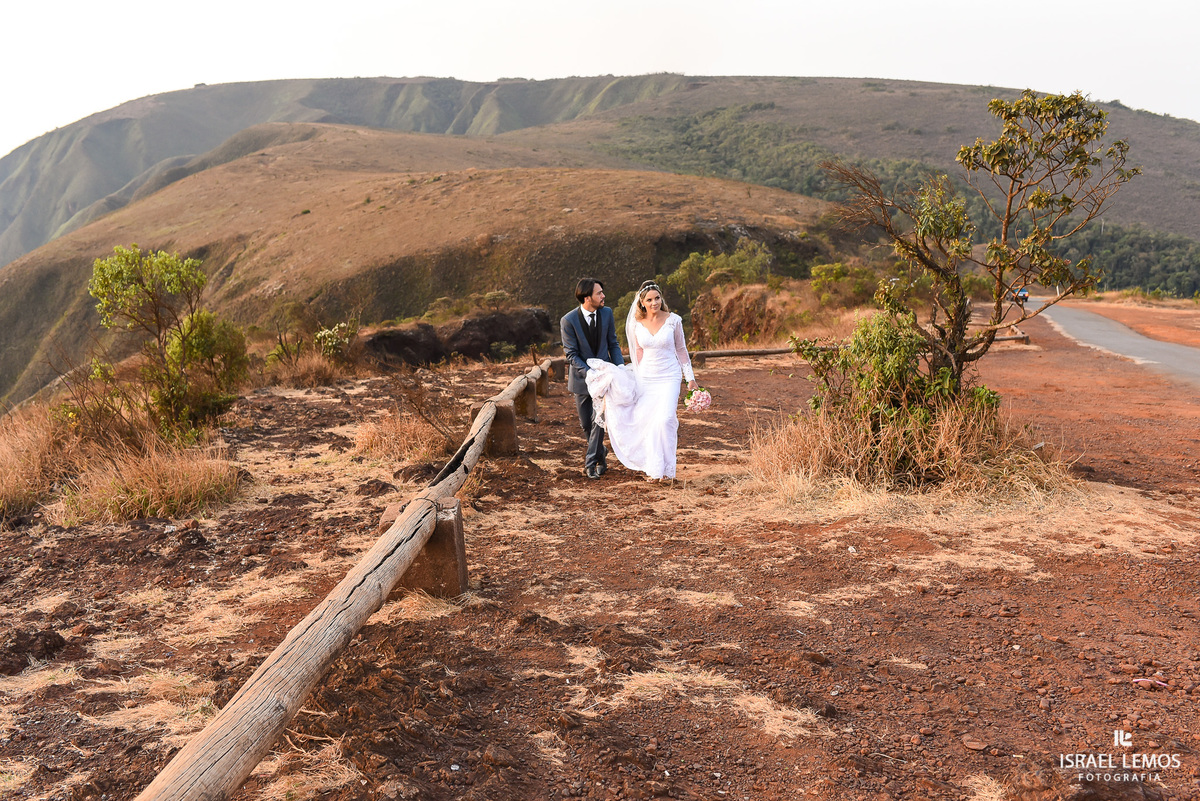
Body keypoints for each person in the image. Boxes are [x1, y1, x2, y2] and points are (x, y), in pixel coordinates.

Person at [586, 280, 698, 481]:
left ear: (661, 299)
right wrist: (632, 379)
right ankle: (656, 471)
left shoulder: (674, 321)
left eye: (657, 298)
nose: (654, 302)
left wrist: (690, 379)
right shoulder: (637, 324)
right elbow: (638, 353)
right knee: (649, 422)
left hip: (669, 377)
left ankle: (668, 470)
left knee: (665, 420)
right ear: (642, 303)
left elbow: (681, 350)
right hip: (646, 377)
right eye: (650, 299)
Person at [560, 277, 625, 479]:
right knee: (586, 424)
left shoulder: (607, 313)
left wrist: (620, 367)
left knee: (599, 421)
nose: (603, 296)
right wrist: (590, 373)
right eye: (599, 293)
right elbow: (571, 355)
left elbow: (613, 343)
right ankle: (601, 455)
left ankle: (591, 463)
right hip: (582, 379)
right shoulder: (568, 320)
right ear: (587, 298)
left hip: (605, 378)